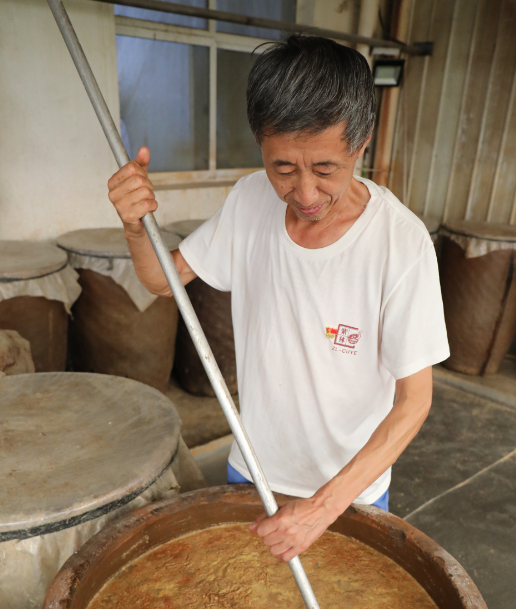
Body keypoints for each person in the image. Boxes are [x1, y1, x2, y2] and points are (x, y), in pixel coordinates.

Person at [108, 35, 449, 563]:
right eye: (283, 169)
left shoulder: (400, 243)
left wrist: (323, 507)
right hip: (254, 471)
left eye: (326, 169)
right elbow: (162, 282)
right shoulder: (248, 201)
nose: (305, 194)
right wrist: (136, 227)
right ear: (260, 147)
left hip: (351, 492)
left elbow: (414, 401)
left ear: (361, 145)